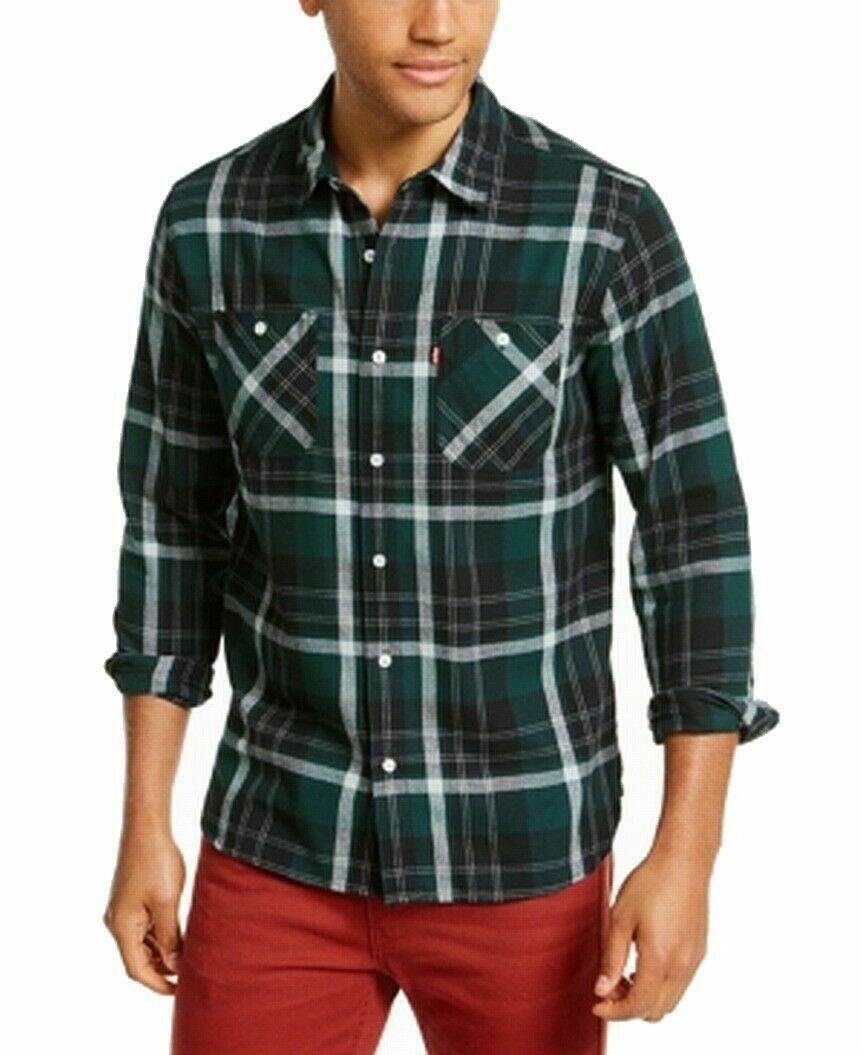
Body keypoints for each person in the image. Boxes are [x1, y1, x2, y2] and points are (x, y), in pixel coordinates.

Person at [101, 2, 780, 1053]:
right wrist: (145, 820)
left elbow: (693, 535)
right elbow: (172, 526)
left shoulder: (601, 223)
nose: (438, 22)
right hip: (281, 837)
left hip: (521, 850)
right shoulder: (209, 221)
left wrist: (687, 851)